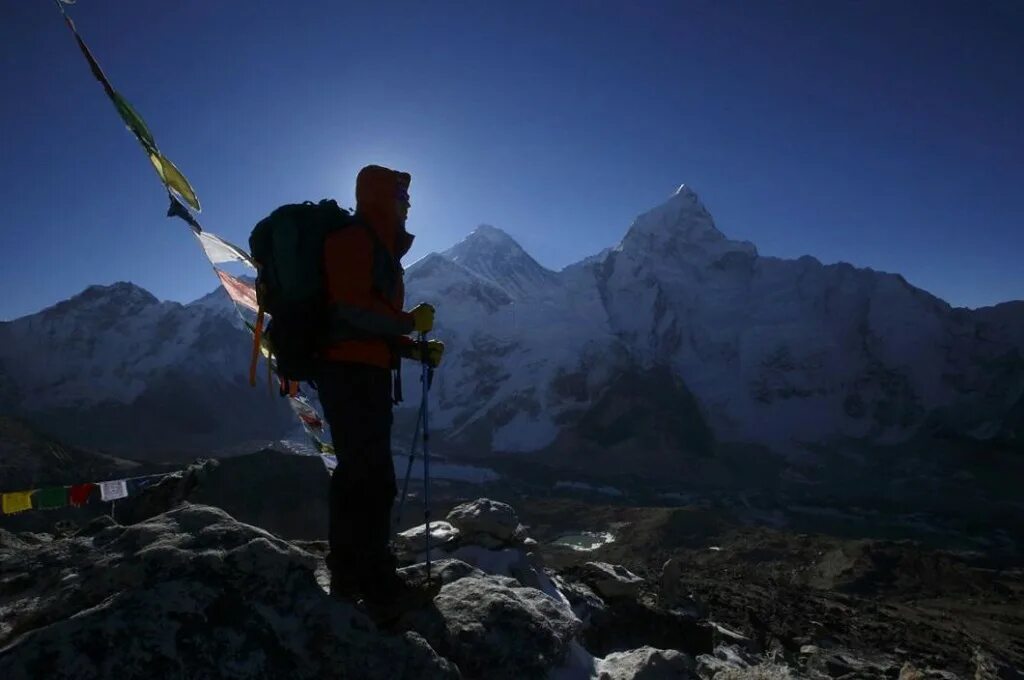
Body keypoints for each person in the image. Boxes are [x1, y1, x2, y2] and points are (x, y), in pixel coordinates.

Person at [316, 164, 444, 618]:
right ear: (380, 199)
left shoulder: (379, 247)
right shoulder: (354, 241)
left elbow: (367, 322)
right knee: (368, 478)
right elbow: (350, 313)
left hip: (363, 371)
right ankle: (371, 578)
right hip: (349, 374)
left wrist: (410, 349)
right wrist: (408, 324)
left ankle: (356, 574)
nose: (407, 205)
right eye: (401, 197)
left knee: (362, 475)